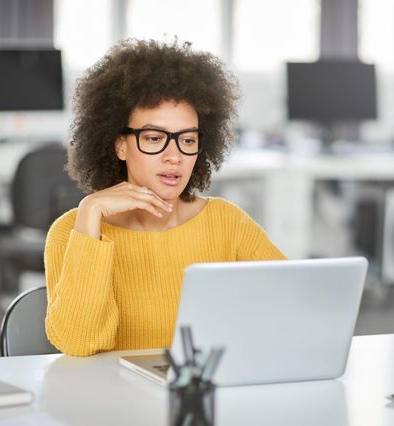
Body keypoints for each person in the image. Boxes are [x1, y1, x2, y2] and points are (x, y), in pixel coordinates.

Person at [45, 39, 285, 356]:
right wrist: (90, 212)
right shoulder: (74, 231)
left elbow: (289, 311)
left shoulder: (227, 223)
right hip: (113, 400)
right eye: (155, 138)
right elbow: (79, 342)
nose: (174, 156)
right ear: (120, 145)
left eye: (187, 140)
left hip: (205, 397)